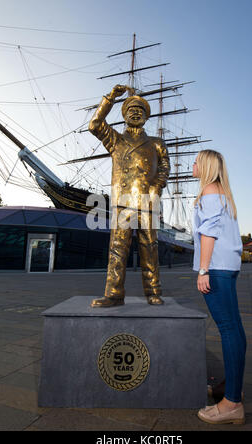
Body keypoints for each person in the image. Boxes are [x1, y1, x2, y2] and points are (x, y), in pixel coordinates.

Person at [88, 84, 170, 308]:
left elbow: (164, 167)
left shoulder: (156, 143)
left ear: (146, 117)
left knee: (149, 247)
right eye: (131, 110)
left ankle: (153, 291)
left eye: (140, 111)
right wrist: (111, 97)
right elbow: (94, 125)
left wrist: (157, 185)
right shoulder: (115, 140)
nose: (135, 113)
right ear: (124, 115)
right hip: (122, 200)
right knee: (117, 248)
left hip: (147, 199)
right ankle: (114, 293)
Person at [192, 149, 246, 425]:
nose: (193, 165)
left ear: (206, 166)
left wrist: (203, 270)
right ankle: (232, 388)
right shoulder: (224, 193)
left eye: (196, 161)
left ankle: (231, 404)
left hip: (216, 268)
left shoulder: (209, 191)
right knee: (235, 329)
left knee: (228, 330)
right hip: (229, 266)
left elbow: (208, 232)